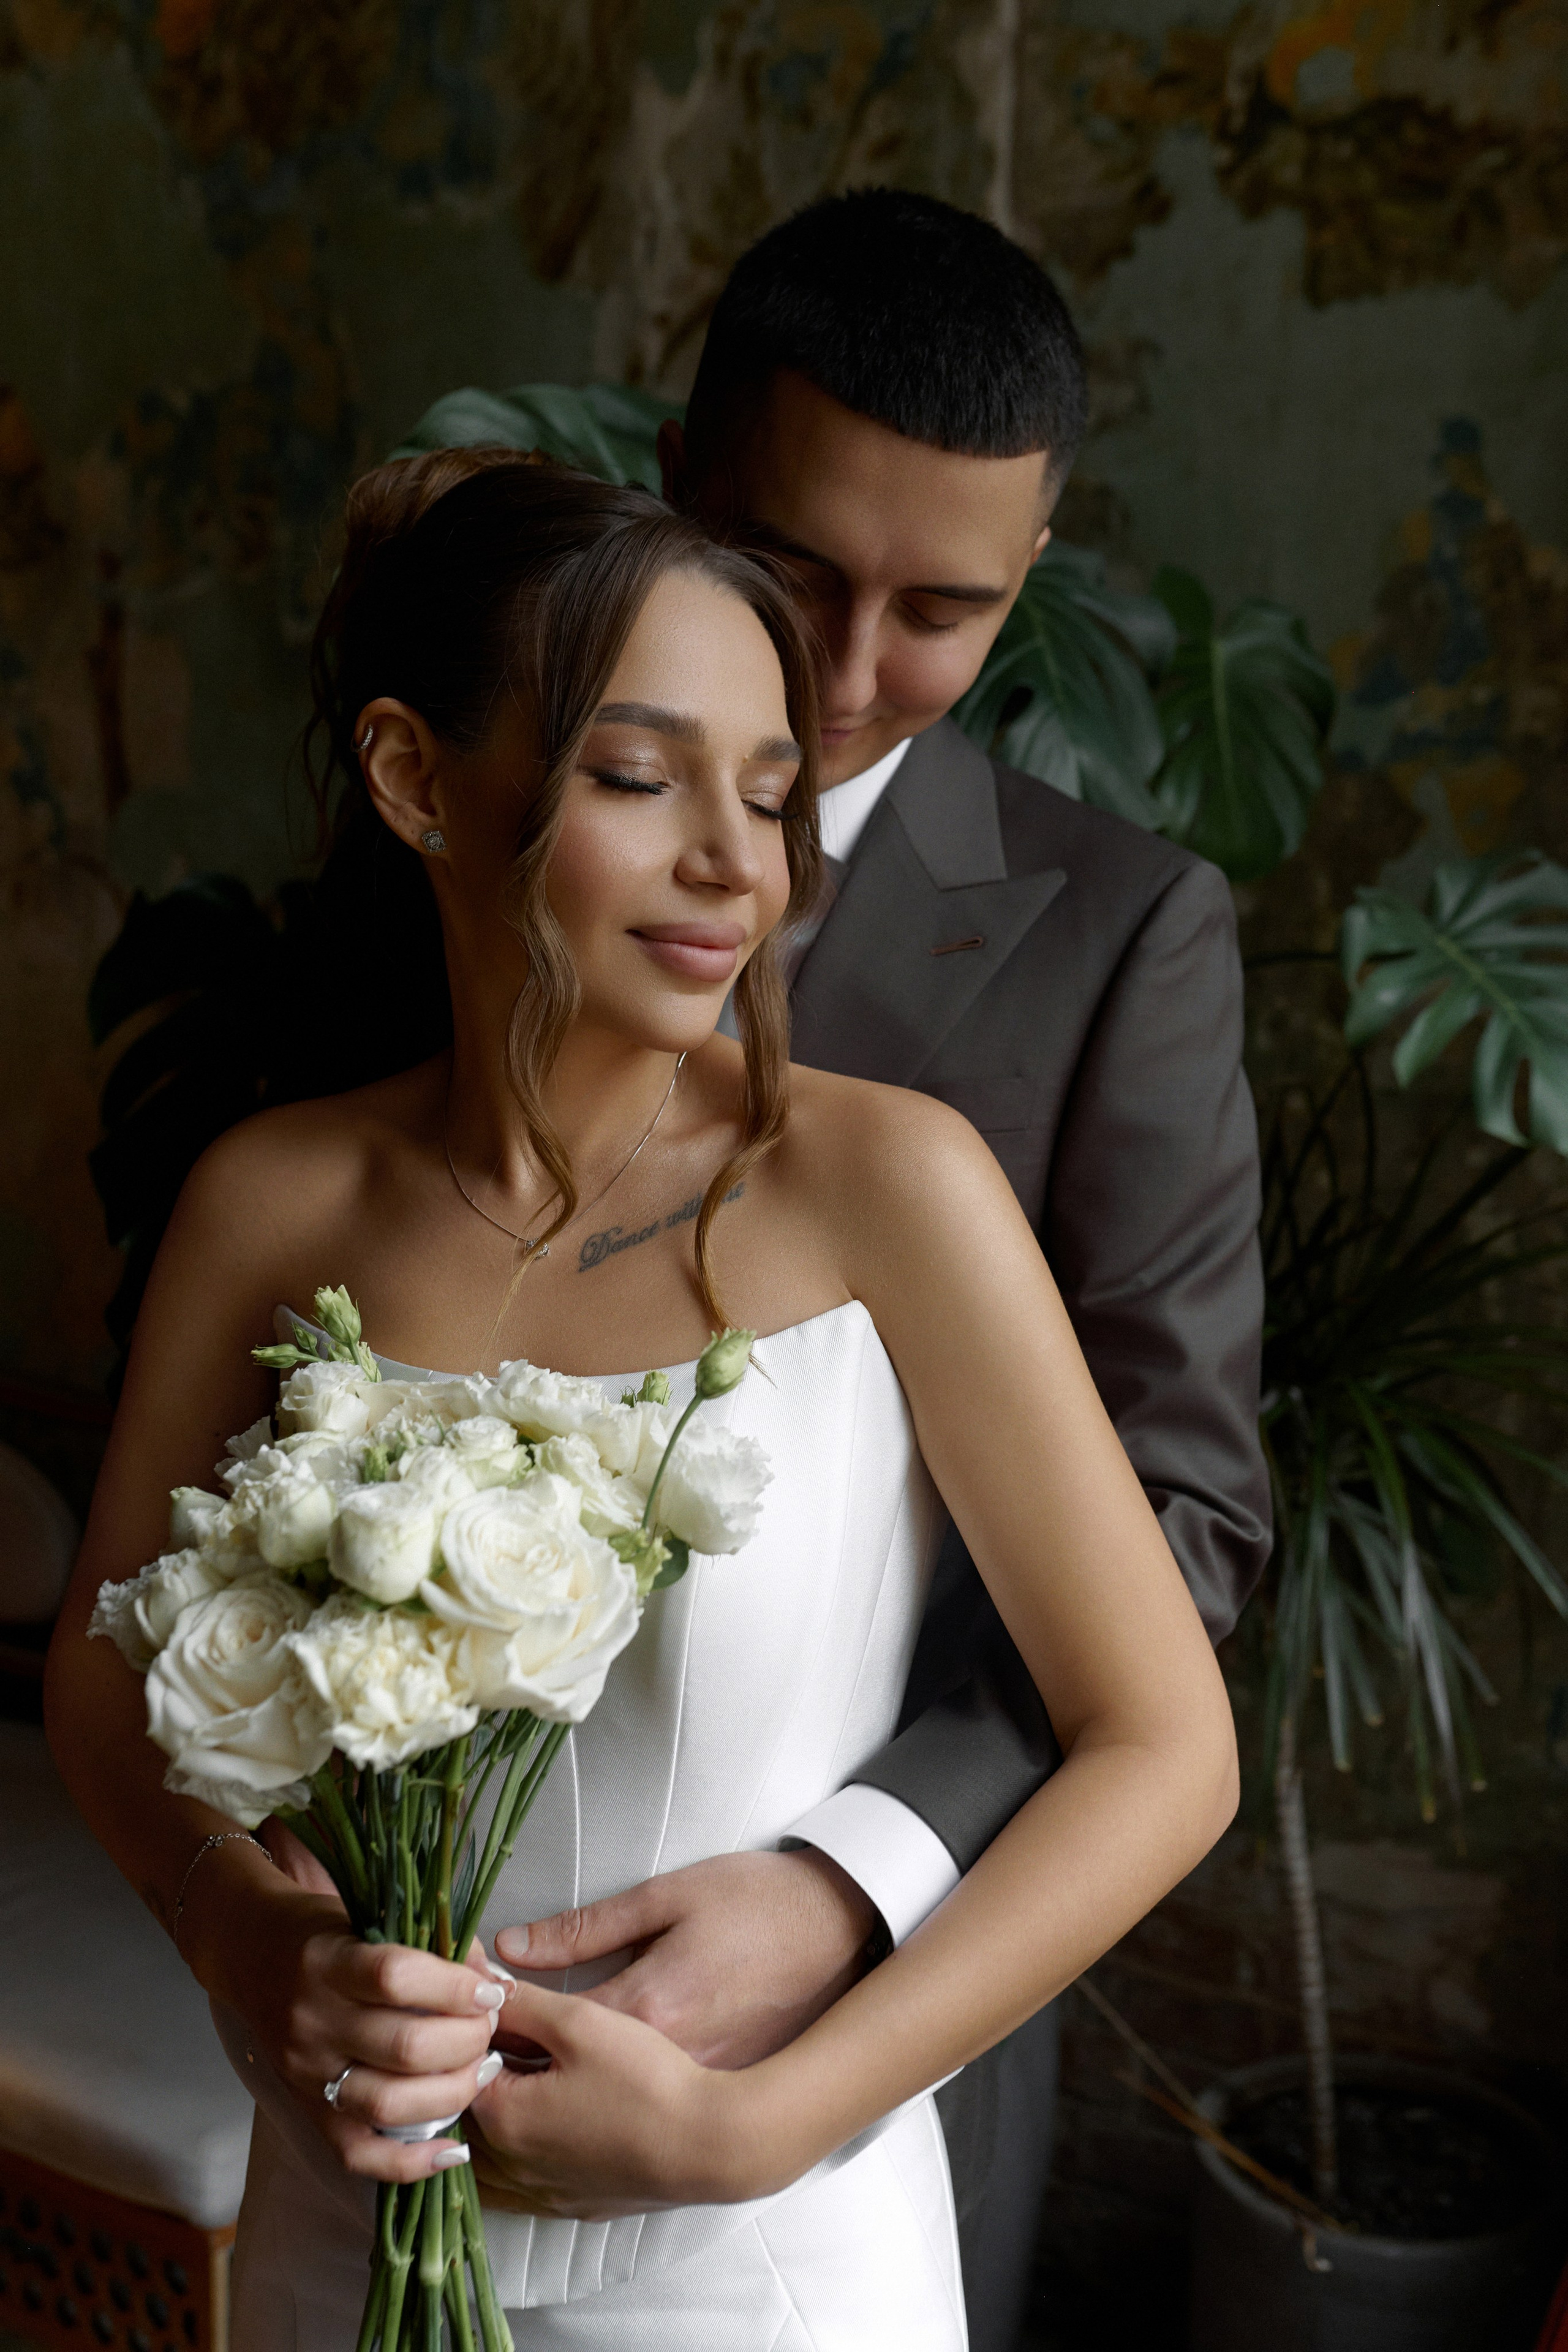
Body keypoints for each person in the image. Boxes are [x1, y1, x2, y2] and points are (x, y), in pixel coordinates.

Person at [47, 451, 1238, 2348]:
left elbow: (1165, 1748)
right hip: (343, 2229)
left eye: (768, 797)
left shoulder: (890, 1190)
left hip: (763, 2267)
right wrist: (246, 1938)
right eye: (636, 776)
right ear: (417, 778)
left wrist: (764, 2130)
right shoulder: (272, 1202)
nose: (735, 864)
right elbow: (106, 1680)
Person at [484, 190, 1272, 2350]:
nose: (841, 680)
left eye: (940, 611)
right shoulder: (462, 825)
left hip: (872, 2030)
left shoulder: (1117, 940)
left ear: (1032, 580)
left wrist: (847, 1887)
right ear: (680, 472)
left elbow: (1182, 1517)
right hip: (414, 1995)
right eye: (795, 571)